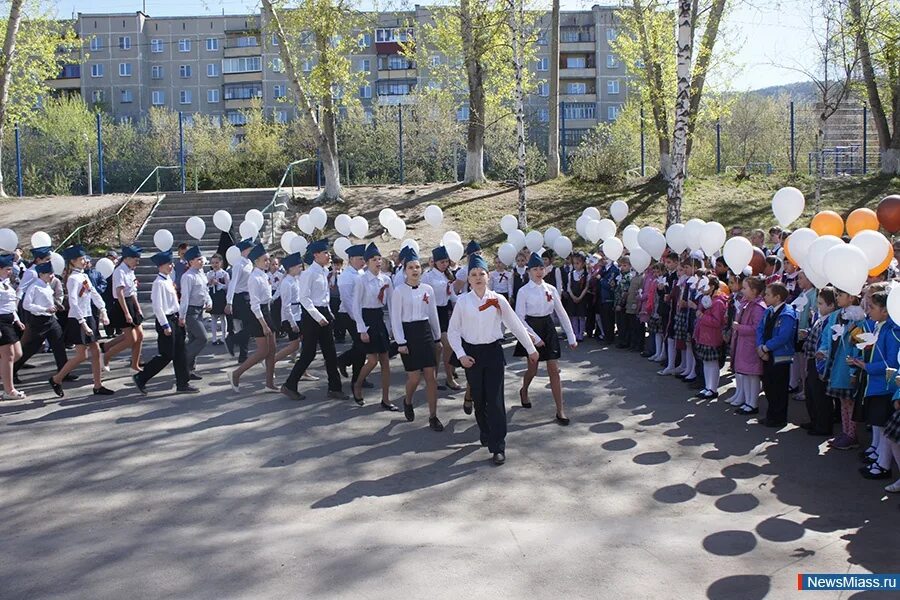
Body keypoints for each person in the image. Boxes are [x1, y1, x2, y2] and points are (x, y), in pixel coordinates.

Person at [448, 254, 539, 465]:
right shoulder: (463, 302)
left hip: (493, 353)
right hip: (472, 355)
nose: (478, 277)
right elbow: (453, 332)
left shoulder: (498, 300)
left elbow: (515, 324)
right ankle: (485, 430)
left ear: (488, 277)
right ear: (468, 279)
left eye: (481, 274)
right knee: (479, 400)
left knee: (496, 400)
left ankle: (498, 445)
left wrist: (531, 348)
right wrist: (461, 355)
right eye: (473, 274)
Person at [515, 252, 577, 425]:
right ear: (528, 271)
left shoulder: (551, 289)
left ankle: (560, 410)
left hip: (548, 327)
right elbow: (519, 318)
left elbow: (561, 312)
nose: (539, 272)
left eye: (541, 268)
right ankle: (524, 390)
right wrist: (533, 338)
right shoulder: (523, 291)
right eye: (535, 269)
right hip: (531, 328)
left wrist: (571, 336)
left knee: (554, 370)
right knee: (533, 370)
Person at [281, 239, 346, 401]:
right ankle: (289, 385)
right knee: (308, 354)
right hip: (312, 316)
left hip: (323, 313)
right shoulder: (309, 273)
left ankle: (335, 388)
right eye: (325, 253)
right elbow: (304, 298)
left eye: (328, 252)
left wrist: (329, 313)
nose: (328, 255)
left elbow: (324, 297)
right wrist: (318, 316)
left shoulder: (324, 272)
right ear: (316, 255)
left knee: (330, 353)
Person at [390, 248, 444, 430]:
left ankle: (433, 416)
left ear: (421, 269)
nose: (414, 270)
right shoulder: (399, 291)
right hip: (408, 334)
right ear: (405, 270)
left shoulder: (427, 289)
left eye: (417, 267)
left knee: (431, 376)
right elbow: (395, 318)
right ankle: (408, 400)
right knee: (414, 378)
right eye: (411, 267)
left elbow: (433, 314)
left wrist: (437, 338)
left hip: (425, 332)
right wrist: (401, 342)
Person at [847, 287, 898, 480]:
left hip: (886, 386)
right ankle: (880, 461)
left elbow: (891, 362)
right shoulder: (880, 326)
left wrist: (867, 366)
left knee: (885, 427)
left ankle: (883, 465)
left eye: (873, 307)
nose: (868, 311)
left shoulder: (892, 331)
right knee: (880, 425)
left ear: (885, 310)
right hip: (876, 384)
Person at [48, 245, 112, 398]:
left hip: (88, 316)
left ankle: (98, 385)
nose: (85, 261)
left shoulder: (83, 276)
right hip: (78, 318)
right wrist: (82, 322)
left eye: (85, 258)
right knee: (82, 355)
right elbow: (73, 302)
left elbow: (94, 293)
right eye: (81, 259)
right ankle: (56, 379)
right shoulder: (72, 279)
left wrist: (103, 310)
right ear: (73, 261)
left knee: (95, 352)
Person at [132, 251, 198, 395]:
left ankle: (183, 382)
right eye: (169, 264)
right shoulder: (158, 283)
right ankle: (142, 377)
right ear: (161, 266)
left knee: (181, 352)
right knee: (166, 354)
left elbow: (174, 301)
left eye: (171, 263)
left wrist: (181, 317)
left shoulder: (168, 279)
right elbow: (158, 306)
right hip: (166, 320)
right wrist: (165, 325)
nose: (171, 266)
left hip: (174, 318)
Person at [817, 288, 865, 448]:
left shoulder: (858, 320)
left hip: (846, 367)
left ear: (851, 298)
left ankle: (852, 435)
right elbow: (826, 335)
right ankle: (845, 432)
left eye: (840, 295)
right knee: (843, 402)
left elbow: (858, 346)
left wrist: (853, 370)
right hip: (835, 366)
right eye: (836, 295)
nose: (837, 298)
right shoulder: (835, 316)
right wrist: (823, 350)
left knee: (849, 402)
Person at [230, 244, 279, 393]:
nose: (268, 263)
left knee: (272, 350)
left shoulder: (264, 275)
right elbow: (255, 304)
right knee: (263, 351)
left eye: (268, 260)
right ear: (256, 261)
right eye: (265, 260)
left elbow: (268, 299)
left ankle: (269, 383)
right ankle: (236, 374)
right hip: (258, 315)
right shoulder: (254, 278)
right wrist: (263, 324)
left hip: (266, 312)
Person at [351, 243, 395, 409]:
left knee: (385, 360)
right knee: (372, 360)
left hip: (379, 318)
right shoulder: (361, 279)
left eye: (379, 259)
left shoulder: (386, 279)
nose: (377, 262)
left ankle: (385, 398)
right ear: (367, 262)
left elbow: (391, 304)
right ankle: (357, 384)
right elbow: (356, 306)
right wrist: (362, 329)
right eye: (373, 259)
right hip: (367, 318)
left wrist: (392, 327)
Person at [14, 261, 71, 384]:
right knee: (31, 348)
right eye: (49, 274)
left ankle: (64, 372)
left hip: (51, 319)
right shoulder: (34, 287)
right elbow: (26, 305)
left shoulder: (47, 285)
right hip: (38, 322)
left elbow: (50, 299)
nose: (52, 276)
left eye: (52, 273)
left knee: (59, 344)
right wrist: (44, 309)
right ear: (41, 274)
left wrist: (57, 305)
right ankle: (13, 370)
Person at [756, 282, 798, 428]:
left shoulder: (788, 313)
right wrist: (760, 347)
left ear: (778, 297)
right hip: (766, 353)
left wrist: (767, 347)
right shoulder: (769, 311)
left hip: (780, 356)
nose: (764, 297)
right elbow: (760, 329)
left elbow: (784, 336)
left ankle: (779, 417)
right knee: (768, 385)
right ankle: (771, 414)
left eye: (768, 294)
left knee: (778, 387)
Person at [422, 245, 461, 391]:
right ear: (435, 262)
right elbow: (424, 296)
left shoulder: (448, 275)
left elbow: (451, 295)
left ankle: (448, 378)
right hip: (433, 312)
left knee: (447, 347)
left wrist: (462, 303)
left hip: (445, 312)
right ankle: (434, 379)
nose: (445, 264)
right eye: (442, 262)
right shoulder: (428, 276)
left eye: (446, 261)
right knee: (438, 348)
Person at [103, 244, 144, 373]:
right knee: (131, 339)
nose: (137, 262)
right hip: (121, 305)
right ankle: (106, 355)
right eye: (135, 259)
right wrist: (127, 313)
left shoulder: (130, 270)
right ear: (126, 258)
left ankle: (134, 364)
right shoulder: (119, 271)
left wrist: (138, 308)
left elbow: (132, 292)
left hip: (131, 302)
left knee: (140, 335)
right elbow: (120, 293)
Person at [802, 287, 837, 435]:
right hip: (812, 359)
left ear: (831, 306)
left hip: (821, 362)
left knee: (820, 395)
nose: (818, 306)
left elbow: (827, 341)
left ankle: (823, 426)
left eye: (821, 303)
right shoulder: (819, 318)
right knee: (810, 393)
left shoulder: (831, 320)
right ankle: (814, 420)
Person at [731, 276, 767, 414]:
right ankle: (747, 401)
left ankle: (753, 403)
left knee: (752, 376)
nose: (742, 290)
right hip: (744, 344)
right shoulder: (747, 303)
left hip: (751, 345)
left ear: (754, 290)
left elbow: (756, 328)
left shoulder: (758, 307)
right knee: (745, 374)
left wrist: (739, 327)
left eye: (745, 288)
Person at [336, 244, 367, 389]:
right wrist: (357, 319)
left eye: (363, 258)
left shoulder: (360, 273)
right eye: (360, 259)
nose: (363, 261)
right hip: (349, 315)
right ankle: (344, 362)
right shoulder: (346, 276)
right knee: (361, 345)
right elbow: (347, 300)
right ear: (351, 259)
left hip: (359, 314)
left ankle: (357, 375)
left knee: (360, 346)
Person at [693, 275, 727, 400]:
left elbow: (718, 322)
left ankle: (713, 388)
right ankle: (708, 387)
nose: (701, 289)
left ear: (712, 287)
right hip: (704, 335)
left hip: (712, 337)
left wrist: (702, 316)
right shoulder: (706, 299)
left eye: (704, 286)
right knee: (706, 363)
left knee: (712, 363)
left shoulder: (718, 302)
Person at [179, 245, 211, 380]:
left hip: (199, 310)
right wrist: (182, 316)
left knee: (193, 339)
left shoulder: (201, 273)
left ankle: (189, 369)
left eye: (201, 259)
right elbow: (185, 297)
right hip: (190, 311)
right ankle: (181, 363)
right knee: (202, 338)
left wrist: (209, 301)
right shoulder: (188, 276)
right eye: (198, 260)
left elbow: (205, 290)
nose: (201, 261)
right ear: (191, 262)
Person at [0, 254, 26, 401]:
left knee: (18, 353)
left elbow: (9, 305)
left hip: (10, 321)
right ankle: (9, 390)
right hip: (1, 322)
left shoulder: (6, 283)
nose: (10, 272)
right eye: (7, 269)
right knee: (8, 356)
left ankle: (6, 380)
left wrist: (17, 320)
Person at [224, 238, 255, 363]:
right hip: (240, 297)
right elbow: (233, 283)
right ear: (245, 250)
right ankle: (232, 340)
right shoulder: (238, 264)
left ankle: (243, 355)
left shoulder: (249, 263)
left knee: (248, 326)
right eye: (251, 249)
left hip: (248, 296)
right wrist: (229, 302)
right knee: (251, 325)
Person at [274, 252, 304, 364]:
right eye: (299, 266)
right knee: (294, 346)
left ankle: (302, 369)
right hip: (290, 317)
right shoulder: (287, 282)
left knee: (300, 345)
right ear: (291, 268)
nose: (301, 269)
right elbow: (286, 306)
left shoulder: (295, 280)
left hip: (298, 314)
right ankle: (271, 361)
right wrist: (293, 323)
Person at [567, 252, 591, 342]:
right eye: (574, 263)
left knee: (581, 316)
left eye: (578, 263)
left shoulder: (586, 274)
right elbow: (568, 287)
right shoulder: (571, 274)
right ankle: (575, 333)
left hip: (582, 298)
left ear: (583, 263)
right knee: (573, 316)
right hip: (572, 297)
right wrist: (573, 296)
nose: (576, 265)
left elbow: (586, 287)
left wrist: (580, 297)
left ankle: (581, 334)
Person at [206, 254, 229, 345]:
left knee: (223, 317)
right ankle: (214, 338)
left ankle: (223, 337)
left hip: (221, 296)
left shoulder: (224, 274)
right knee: (213, 317)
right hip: (213, 296)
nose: (215, 265)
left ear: (221, 263)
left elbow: (228, 286)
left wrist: (218, 284)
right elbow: (205, 286)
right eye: (213, 263)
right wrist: (210, 283)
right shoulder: (209, 274)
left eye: (217, 262)